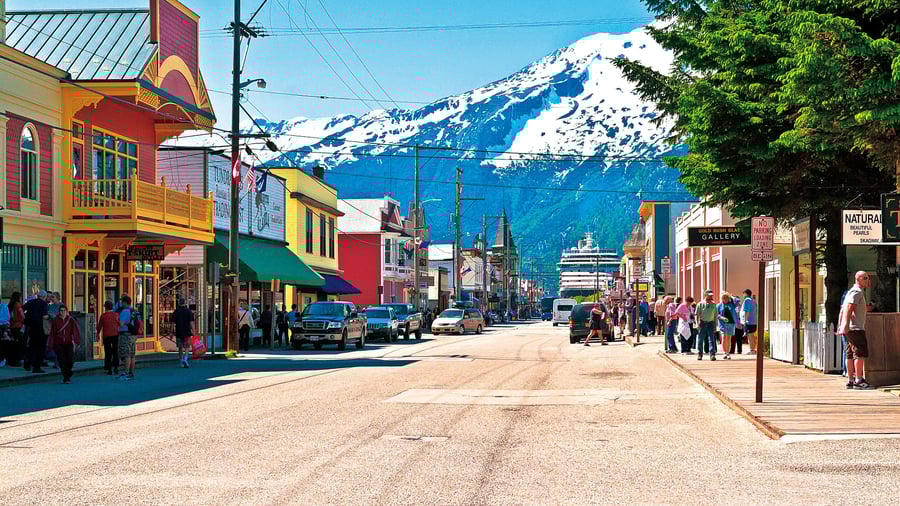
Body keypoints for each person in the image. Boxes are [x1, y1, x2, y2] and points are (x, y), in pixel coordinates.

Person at [839, 271, 873, 389]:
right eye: (864, 278)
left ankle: (850, 380)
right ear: (857, 279)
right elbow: (849, 307)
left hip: (850, 328)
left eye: (868, 278)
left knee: (849, 354)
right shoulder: (857, 292)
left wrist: (842, 325)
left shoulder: (850, 292)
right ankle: (859, 379)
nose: (867, 280)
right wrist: (845, 324)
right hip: (856, 328)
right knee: (860, 353)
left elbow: (844, 309)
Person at [47, 304, 81, 384]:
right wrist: (50, 345)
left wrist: (77, 341)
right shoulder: (56, 320)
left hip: (68, 343)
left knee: (70, 360)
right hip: (58, 343)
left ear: (67, 312)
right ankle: (66, 377)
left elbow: (75, 331)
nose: (62, 312)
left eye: (64, 311)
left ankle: (68, 372)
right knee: (61, 360)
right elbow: (52, 333)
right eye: (61, 311)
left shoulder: (71, 320)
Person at [23, 290, 50, 373]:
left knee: (31, 346)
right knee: (40, 348)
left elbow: (22, 309)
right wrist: (50, 316)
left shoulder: (31, 302)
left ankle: (27, 363)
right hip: (40, 328)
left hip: (30, 327)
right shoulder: (43, 304)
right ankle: (36, 366)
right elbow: (45, 316)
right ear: (44, 297)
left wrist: (26, 318)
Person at [117, 295, 139, 380]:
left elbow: (122, 323)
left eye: (122, 302)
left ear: (125, 302)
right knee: (132, 354)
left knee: (126, 354)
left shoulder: (125, 311)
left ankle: (126, 373)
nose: (121, 303)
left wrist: (117, 320)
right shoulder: (134, 310)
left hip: (126, 334)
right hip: (133, 334)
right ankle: (131, 372)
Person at [97, 301, 120, 375]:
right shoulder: (116, 315)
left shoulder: (103, 316)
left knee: (108, 352)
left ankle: (109, 368)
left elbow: (99, 326)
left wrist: (97, 334)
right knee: (115, 351)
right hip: (116, 335)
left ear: (105, 307)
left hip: (107, 335)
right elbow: (120, 324)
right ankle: (116, 367)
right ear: (112, 307)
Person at [171, 297, 194, 368]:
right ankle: (186, 358)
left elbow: (172, 323)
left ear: (179, 303)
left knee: (180, 347)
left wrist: (171, 332)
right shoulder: (189, 311)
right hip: (187, 331)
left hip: (179, 331)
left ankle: (181, 361)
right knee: (187, 346)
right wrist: (194, 330)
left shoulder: (176, 311)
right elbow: (191, 322)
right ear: (185, 303)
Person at [696, 290, 718, 361]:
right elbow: (697, 315)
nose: (711, 296)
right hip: (702, 323)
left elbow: (715, 315)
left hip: (711, 323)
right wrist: (697, 323)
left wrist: (715, 325)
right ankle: (700, 354)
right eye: (709, 295)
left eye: (711, 295)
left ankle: (712, 354)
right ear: (705, 295)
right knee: (700, 339)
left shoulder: (714, 304)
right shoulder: (700, 304)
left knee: (711, 339)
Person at [717, 293, 738, 360]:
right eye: (724, 298)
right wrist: (722, 318)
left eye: (726, 298)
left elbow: (737, 300)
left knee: (729, 338)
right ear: (721, 298)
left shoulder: (732, 304)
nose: (725, 299)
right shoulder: (719, 305)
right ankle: (724, 352)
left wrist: (731, 296)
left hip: (731, 323)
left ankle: (728, 352)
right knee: (724, 337)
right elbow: (716, 315)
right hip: (723, 324)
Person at [8, 292, 25, 368]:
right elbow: (22, 316)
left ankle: (11, 360)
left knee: (13, 343)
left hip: (11, 326)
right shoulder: (18, 305)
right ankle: (17, 360)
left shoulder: (10, 305)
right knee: (19, 344)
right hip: (18, 326)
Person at [740, 289, 758, 355]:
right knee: (751, 336)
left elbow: (747, 311)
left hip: (749, 322)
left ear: (746, 294)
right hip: (753, 321)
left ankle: (752, 350)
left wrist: (745, 320)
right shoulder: (753, 301)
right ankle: (752, 349)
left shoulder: (747, 300)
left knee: (750, 336)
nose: (743, 295)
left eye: (743, 294)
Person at [0, 300, 10, 368]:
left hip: (2, 326)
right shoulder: (4, 306)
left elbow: (7, 317)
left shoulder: (4, 306)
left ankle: (2, 358)